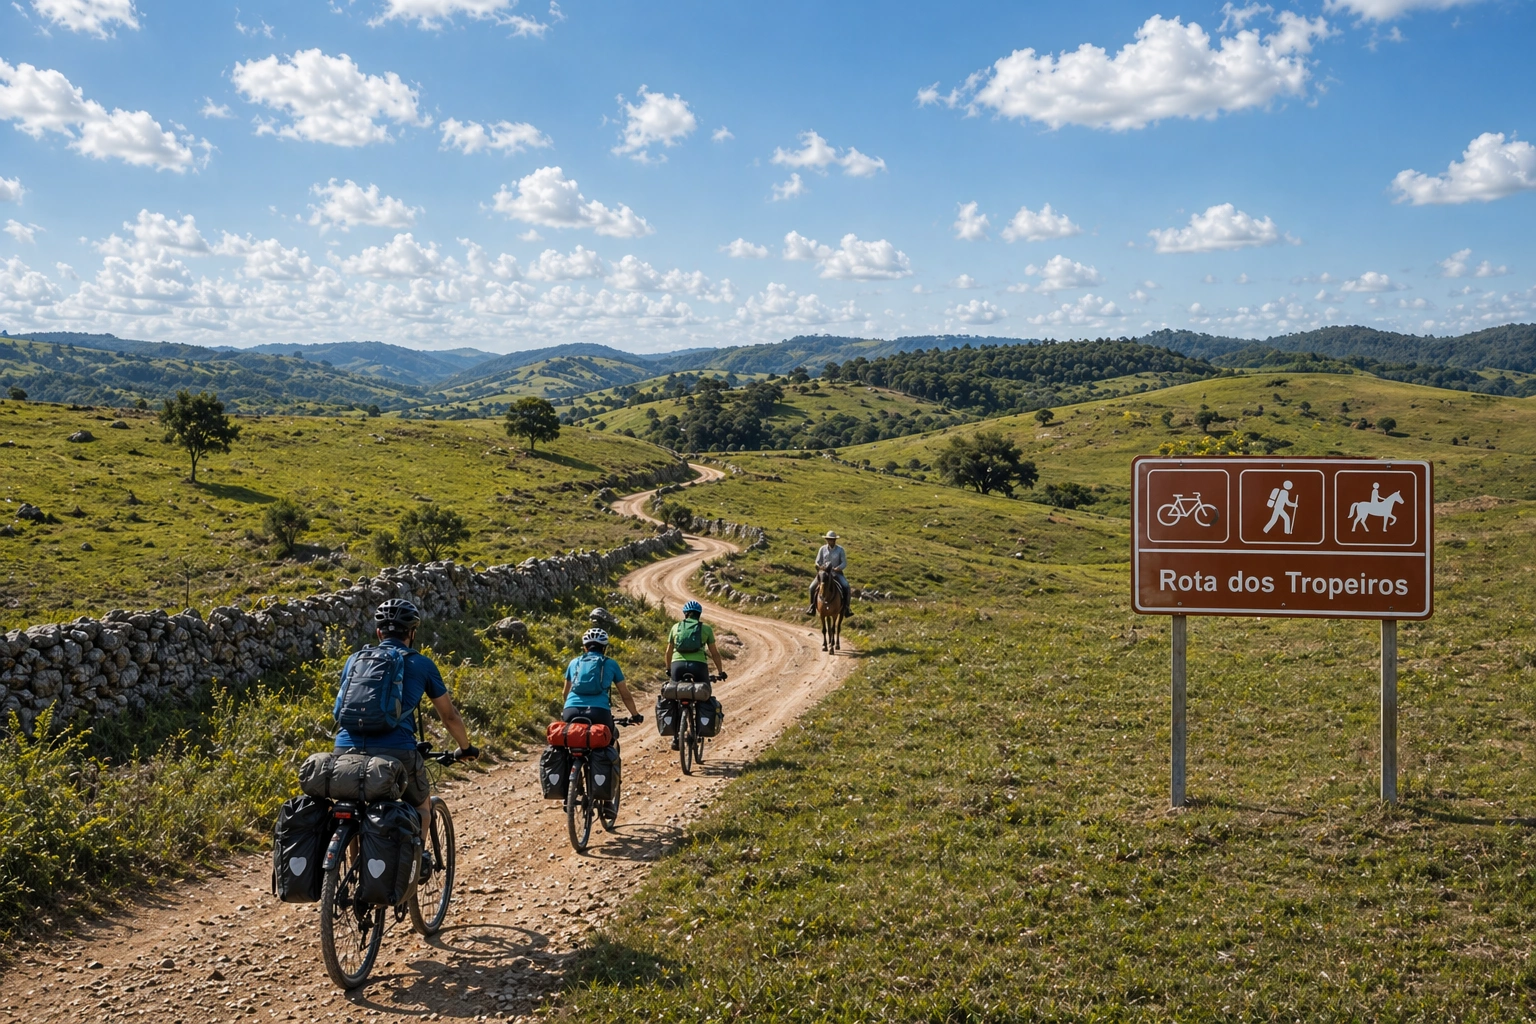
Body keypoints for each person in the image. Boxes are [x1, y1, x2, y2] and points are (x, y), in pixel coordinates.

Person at [334, 599, 479, 827]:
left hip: (344, 748)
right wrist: (465, 748)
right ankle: (418, 861)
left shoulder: (354, 660)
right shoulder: (422, 664)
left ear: (379, 632)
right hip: (397, 750)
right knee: (422, 806)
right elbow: (449, 716)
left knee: (352, 810)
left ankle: (354, 858)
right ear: (412, 633)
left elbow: (341, 707)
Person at [664, 599, 727, 750]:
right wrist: (720, 672)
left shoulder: (675, 627)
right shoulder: (706, 629)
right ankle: (700, 729)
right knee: (704, 694)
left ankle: (675, 737)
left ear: (685, 614)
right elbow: (715, 653)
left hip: (677, 665)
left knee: (673, 695)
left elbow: (668, 651)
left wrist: (668, 668)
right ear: (699, 615)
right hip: (698, 666)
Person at [562, 627, 642, 735]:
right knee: (611, 735)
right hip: (599, 711)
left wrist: (569, 707)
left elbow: (565, 693)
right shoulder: (611, 664)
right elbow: (625, 695)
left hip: (571, 711)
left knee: (569, 737)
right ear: (604, 648)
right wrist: (635, 715)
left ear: (585, 647)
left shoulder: (573, 663)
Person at [806, 530, 851, 618]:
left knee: (846, 586)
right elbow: (817, 561)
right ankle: (812, 607)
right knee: (811, 587)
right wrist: (819, 566)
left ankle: (847, 608)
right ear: (827, 540)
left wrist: (838, 568)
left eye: (832, 539)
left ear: (835, 540)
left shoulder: (840, 550)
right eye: (829, 539)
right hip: (823, 574)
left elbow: (844, 563)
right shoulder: (822, 549)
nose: (830, 541)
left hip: (836, 573)